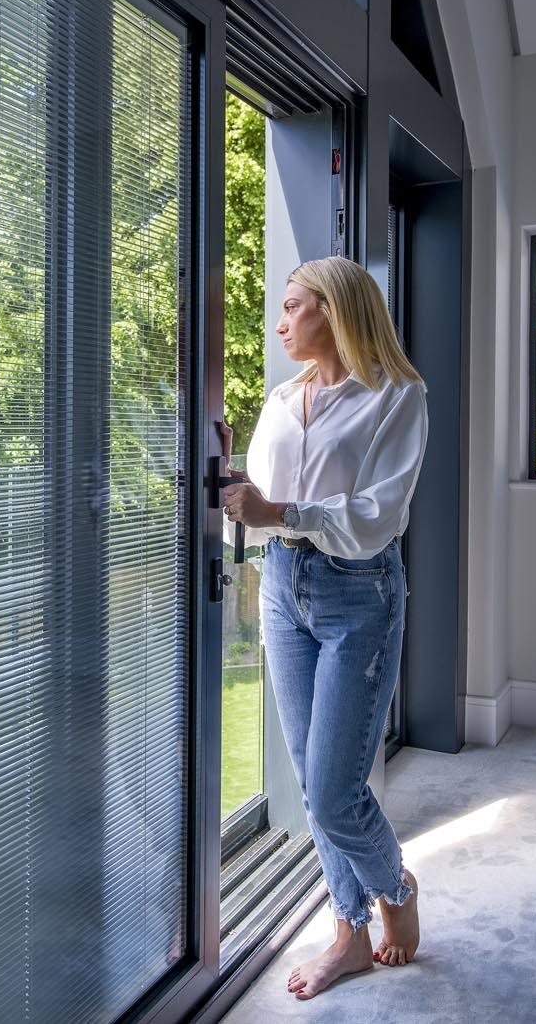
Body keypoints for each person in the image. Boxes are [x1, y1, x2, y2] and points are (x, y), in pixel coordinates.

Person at [219, 256, 428, 1000]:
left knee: (337, 792)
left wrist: (281, 512)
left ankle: (395, 888)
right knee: (314, 784)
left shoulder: (396, 396)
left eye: (292, 306)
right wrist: (241, 493)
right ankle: (349, 933)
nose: (280, 323)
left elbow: (377, 515)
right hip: (282, 585)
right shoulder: (282, 400)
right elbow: (260, 501)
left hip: (358, 592)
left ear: (334, 310)